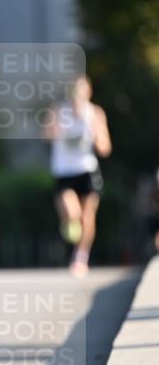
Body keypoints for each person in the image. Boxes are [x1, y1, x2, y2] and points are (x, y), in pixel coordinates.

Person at [45, 75, 112, 276]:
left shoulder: (95, 113)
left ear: (88, 92)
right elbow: (47, 136)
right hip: (64, 171)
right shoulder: (58, 111)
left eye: (81, 90)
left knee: (87, 216)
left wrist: (94, 130)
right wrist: (55, 127)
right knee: (72, 212)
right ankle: (70, 227)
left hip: (87, 170)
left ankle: (80, 257)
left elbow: (105, 148)